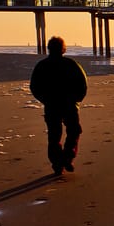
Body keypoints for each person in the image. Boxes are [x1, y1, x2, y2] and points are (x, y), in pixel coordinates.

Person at [30, 37, 88, 175]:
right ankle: (68, 157)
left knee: (54, 135)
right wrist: (77, 100)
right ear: (63, 49)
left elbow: (34, 87)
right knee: (73, 131)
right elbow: (83, 84)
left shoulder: (42, 65)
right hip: (69, 104)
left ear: (49, 48)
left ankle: (57, 163)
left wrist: (44, 100)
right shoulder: (71, 64)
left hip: (51, 105)